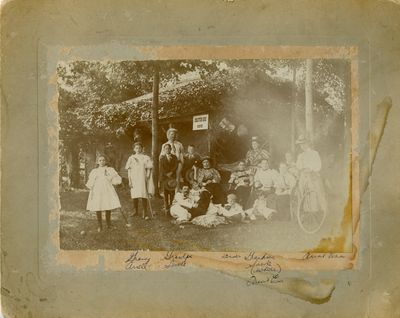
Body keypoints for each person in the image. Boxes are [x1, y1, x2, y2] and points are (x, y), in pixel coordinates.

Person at [86, 156, 122, 232]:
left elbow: (115, 179)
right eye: (100, 160)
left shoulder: (110, 170)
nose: (102, 161)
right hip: (97, 189)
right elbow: (91, 181)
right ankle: (100, 225)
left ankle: (109, 224)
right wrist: (91, 188)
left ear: (106, 161)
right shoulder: (94, 171)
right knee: (98, 206)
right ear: (97, 162)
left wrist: (113, 180)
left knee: (107, 205)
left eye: (103, 160)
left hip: (107, 189)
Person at [295, 135, 327, 213]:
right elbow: (298, 166)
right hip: (304, 175)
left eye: (303, 144)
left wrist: (311, 169)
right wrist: (302, 169)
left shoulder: (314, 153)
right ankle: (305, 210)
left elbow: (318, 165)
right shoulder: (300, 155)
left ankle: (317, 210)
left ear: (307, 144)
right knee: (301, 190)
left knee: (316, 190)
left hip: (313, 175)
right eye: (300, 145)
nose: (302, 146)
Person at [125, 142, 154, 219]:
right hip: (134, 178)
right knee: (135, 194)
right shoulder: (131, 158)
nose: (138, 149)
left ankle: (145, 211)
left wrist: (147, 176)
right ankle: (135, 211)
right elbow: (129, 170)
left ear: (142, 148)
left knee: (143, 194)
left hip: (142, 177)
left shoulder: (145, 157)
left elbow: (149, 168)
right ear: (134, 149)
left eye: (139, 148)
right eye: (136, 148)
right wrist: (130, 180)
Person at [159, 143, 179, 213]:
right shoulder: (162, 158)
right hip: (165, 177)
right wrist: (166, 174)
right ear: (164, 150)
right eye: (166, 148)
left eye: (168, 148)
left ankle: (172, 205)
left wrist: (171, 172)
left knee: (172, 192)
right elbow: (161, 168)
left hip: (172, 176)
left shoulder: (174, 157)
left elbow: (176, 165)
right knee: (165, 192)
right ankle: (166, 206)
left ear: (171, 149)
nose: (167, 150)